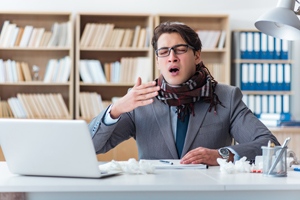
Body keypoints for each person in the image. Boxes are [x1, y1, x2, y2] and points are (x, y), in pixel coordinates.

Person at [89, 21, 280, 166]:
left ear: (197, 56)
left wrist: (222, 155)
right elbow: (91, 147)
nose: (171, 57)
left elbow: (271, 146)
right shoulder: (140, 99)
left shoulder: (226, 97)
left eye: (180, 50)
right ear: (157, 61)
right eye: (163, 52)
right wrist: (115, 110)